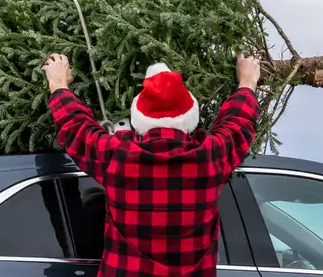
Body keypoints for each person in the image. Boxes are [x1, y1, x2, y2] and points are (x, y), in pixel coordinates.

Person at [43, 53, 260, 276]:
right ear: (189, 117)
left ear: (139, 119)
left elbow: (76, 127)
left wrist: (58, 84)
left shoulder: (119, 156)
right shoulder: (210, 157)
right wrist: (247, 82)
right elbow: (238, 123)